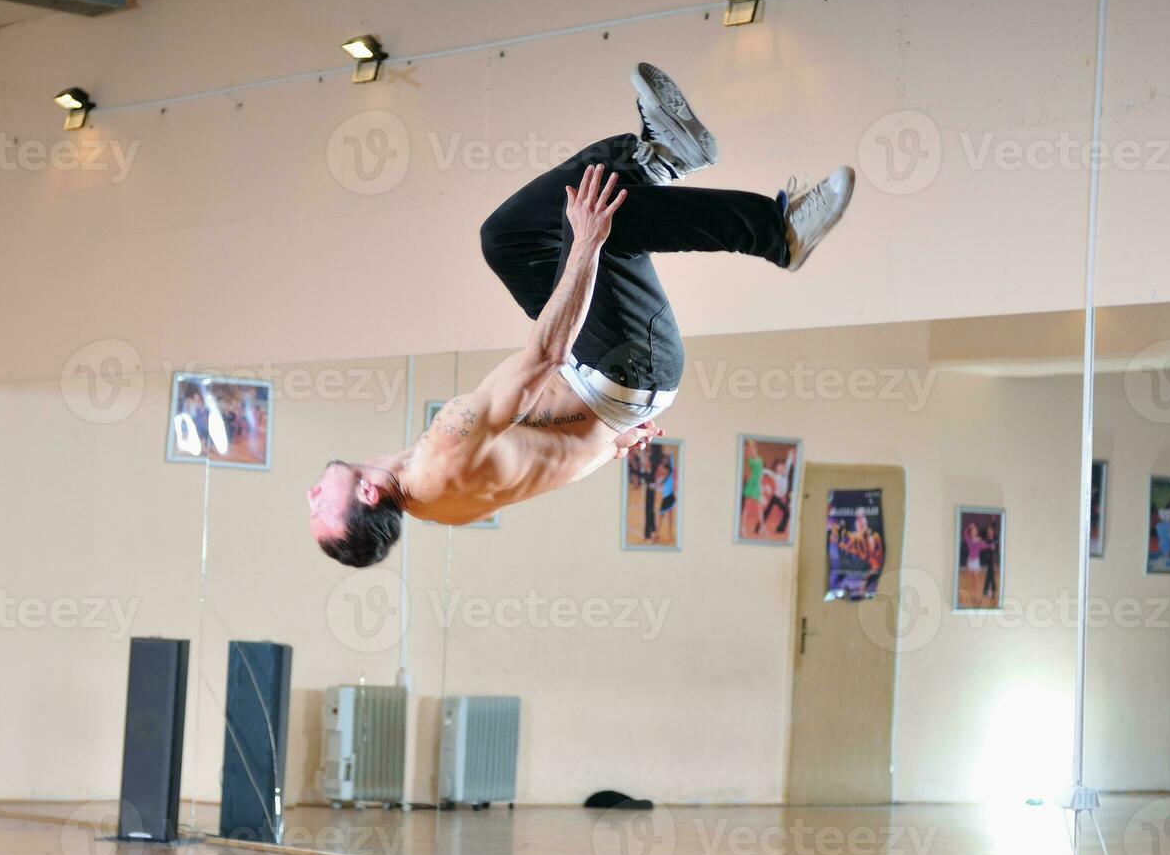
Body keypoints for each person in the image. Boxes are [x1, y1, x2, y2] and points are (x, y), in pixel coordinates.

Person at [309, 62, 855, 567]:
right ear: (366, 494)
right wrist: (587, 245)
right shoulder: (443, 451)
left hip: (611, 385)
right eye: (319, 508)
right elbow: (546, 356)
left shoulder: (438, 507)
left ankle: (661, 156)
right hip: (622, 364)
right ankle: (778, 234)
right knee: (596, 230)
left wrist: (606, 443)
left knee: (507, 241)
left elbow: (542, 470)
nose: (311, 496)